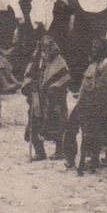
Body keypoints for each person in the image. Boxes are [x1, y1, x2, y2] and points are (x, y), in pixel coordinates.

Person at [65, 37, 107, 173]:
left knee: (95, 131)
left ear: (103, 49)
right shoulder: (93, 64)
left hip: (98, 105)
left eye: (96, 47)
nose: (93, 49)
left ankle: (94, 159)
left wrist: (90, 100)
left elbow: (103, 89)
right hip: (85, 102)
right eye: (93, 47)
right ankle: (70, 157)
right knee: (71, 126)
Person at [22, 30, 71, 161]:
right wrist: (30, 85)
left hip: (54, 99)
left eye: (47, 47)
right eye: (43, 47)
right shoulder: (36, 59)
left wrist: (54, 88)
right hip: (38, 97)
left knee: (57, 122)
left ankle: (60, 150)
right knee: (34, 122)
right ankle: (39, 151)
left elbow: (65, 77)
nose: (45, 50)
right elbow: (29, 75)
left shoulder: (59, 61)